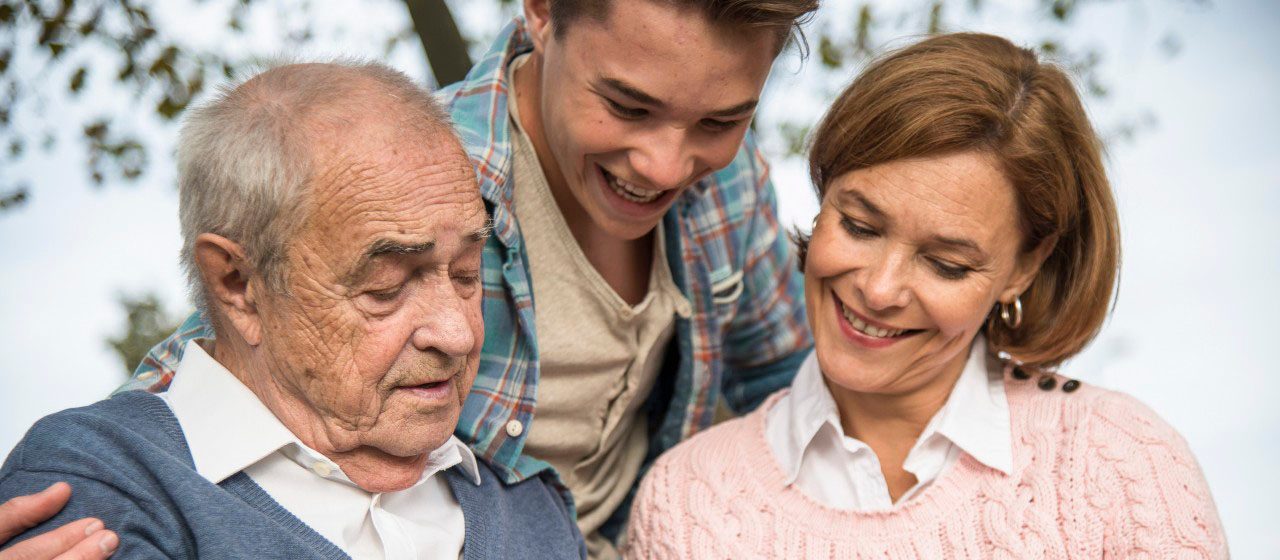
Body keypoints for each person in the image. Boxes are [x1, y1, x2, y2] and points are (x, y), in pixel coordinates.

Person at [118, 1, 818, 557]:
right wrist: (86, 494)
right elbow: (226, 349)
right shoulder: (416, 176)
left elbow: (785, 384)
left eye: (720, 120)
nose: (667, 164)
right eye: (628, 107)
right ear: (541, 12)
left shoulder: (729, 184)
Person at [627, 32, 1229, 558]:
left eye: (945, 264)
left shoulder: (1121, 464)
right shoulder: (687, 503)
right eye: (859, 227)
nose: (878, 289)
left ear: (1024, 266)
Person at [0, 61, 584, 559]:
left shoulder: (534, 512)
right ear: (237, 284)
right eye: (385, 287)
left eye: (465, 274)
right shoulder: (101, 484)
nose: (457, 333)